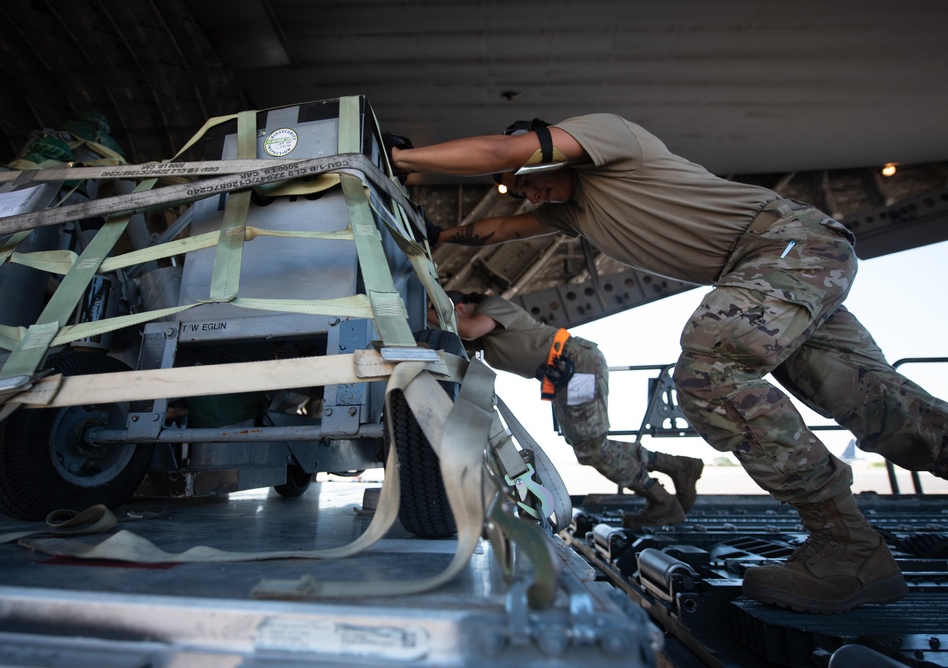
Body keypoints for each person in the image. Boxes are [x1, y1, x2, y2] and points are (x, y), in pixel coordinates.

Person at [392, 115, 948, 614]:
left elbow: (501, 153)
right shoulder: (573, 215)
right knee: (873, 403)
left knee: (711, 371)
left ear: (553, 151)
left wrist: (397, 160)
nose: (526, 192)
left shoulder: (611, 139)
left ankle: (846, 547)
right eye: (520, 190)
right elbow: (503, 229)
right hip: (779, 263)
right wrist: (436, 234)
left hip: (784, 245)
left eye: (529, 176)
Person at [435, 290, 703, 528]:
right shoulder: (482, 339)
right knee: (589, 445)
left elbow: (467, 330)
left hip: (575, 362)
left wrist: (427, 314)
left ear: (459, 307)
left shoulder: (490, 306)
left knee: (590, 448)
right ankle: (676, 466)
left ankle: (661, 500)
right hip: (563, 372)